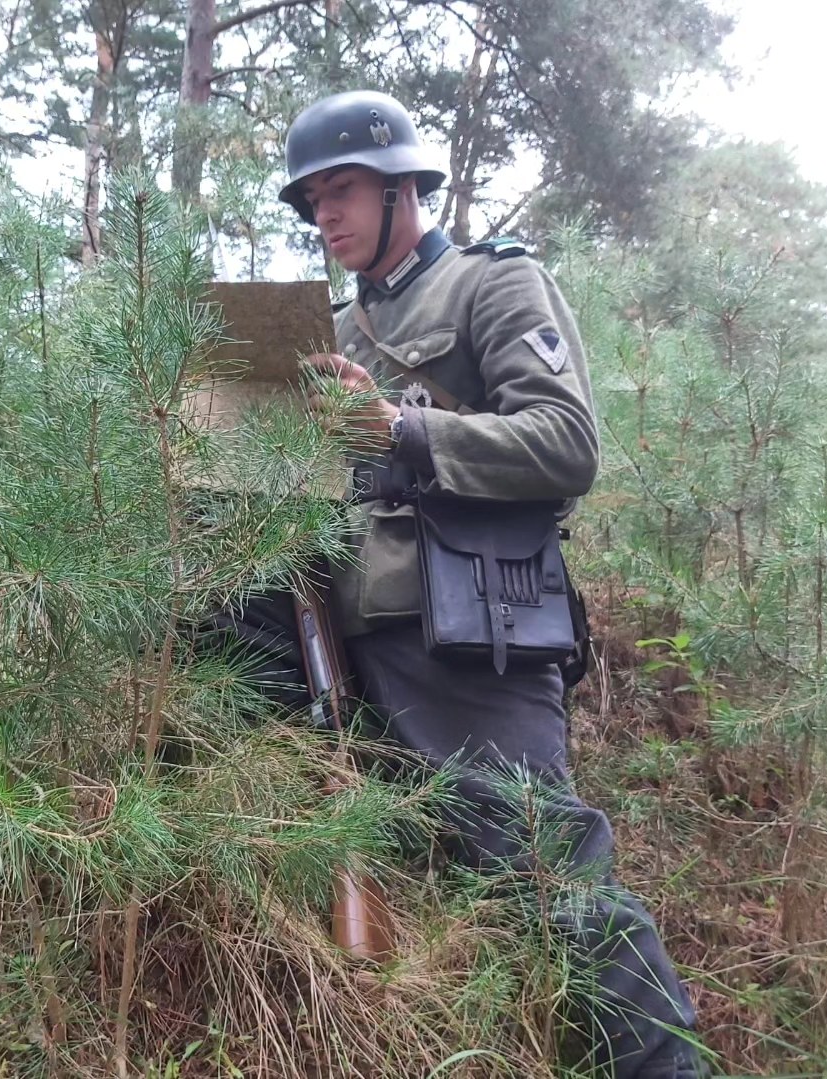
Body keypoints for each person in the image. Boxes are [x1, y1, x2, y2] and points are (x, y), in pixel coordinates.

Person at [273, 89, 707, 1078]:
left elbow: (565, 444)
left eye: (340, 190)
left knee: (545, 867)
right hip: (344, 632)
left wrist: (403, 429)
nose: (324, 215)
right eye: (310, 201)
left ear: (400, 188)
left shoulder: (489, 286)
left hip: (468, 625)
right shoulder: (332, 325)